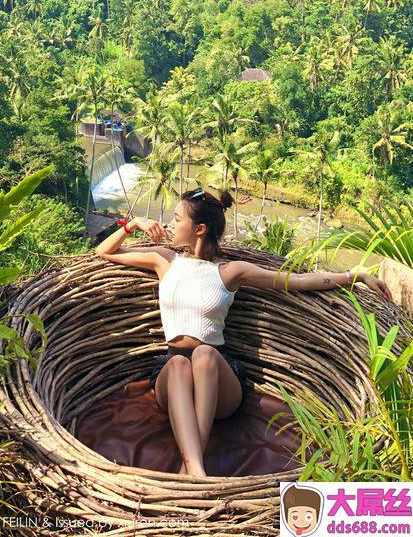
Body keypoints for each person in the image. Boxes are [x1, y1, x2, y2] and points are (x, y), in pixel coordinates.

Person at [95, 187, 393, 478]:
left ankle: (192, 467)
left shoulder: (230, 271)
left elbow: (298, 281)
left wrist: (355, 275)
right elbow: (104, 251)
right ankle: (197, 468)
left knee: (204, 354)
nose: (169, 224)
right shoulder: (163, 260)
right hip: (172, 376)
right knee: (178, 363)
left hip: (218, 376)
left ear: (199, 229)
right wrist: (132, 224)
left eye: (176, 219)